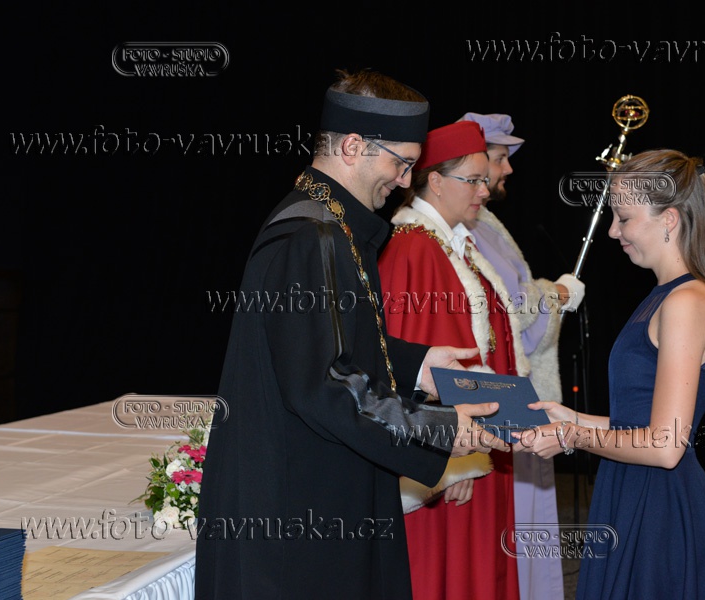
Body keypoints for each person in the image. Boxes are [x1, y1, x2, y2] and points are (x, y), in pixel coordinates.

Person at [194, 69, 510, 600]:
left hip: (323, 488)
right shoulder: (308, 233)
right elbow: (322, 384)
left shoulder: (335, 225)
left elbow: (333, 345)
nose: (405, 181)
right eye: (401, 163)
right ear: (353, 146)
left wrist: (419, 367)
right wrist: (436, 428)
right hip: (296, 514)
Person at [515, 149, 705, 599]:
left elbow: (664, 446)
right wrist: (573, 417)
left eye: (624, 218)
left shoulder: (685, 302)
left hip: (658, 506)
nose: (614, 231)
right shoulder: (666, 295)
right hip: (635, 487)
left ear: (669, 220)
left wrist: (572, 436)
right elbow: (640, 421)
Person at [377, 119, 521, 600]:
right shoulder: (413, 248)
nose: (485, 190)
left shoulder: (453, 243)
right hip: (454, 456)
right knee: (448, 575)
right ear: (436, 181)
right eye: (473, 179)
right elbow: (406, 362)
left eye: (485, 178)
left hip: (478, 439)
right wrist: (449, 463)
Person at [456, 111, 585, 600]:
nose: (508, 168)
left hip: (518, 387)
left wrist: (549, 294)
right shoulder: (465, 227)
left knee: (525, 519)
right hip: (499, 397)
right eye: (499, 157)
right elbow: (508, 310)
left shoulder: (486, 221)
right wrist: (557, 293)